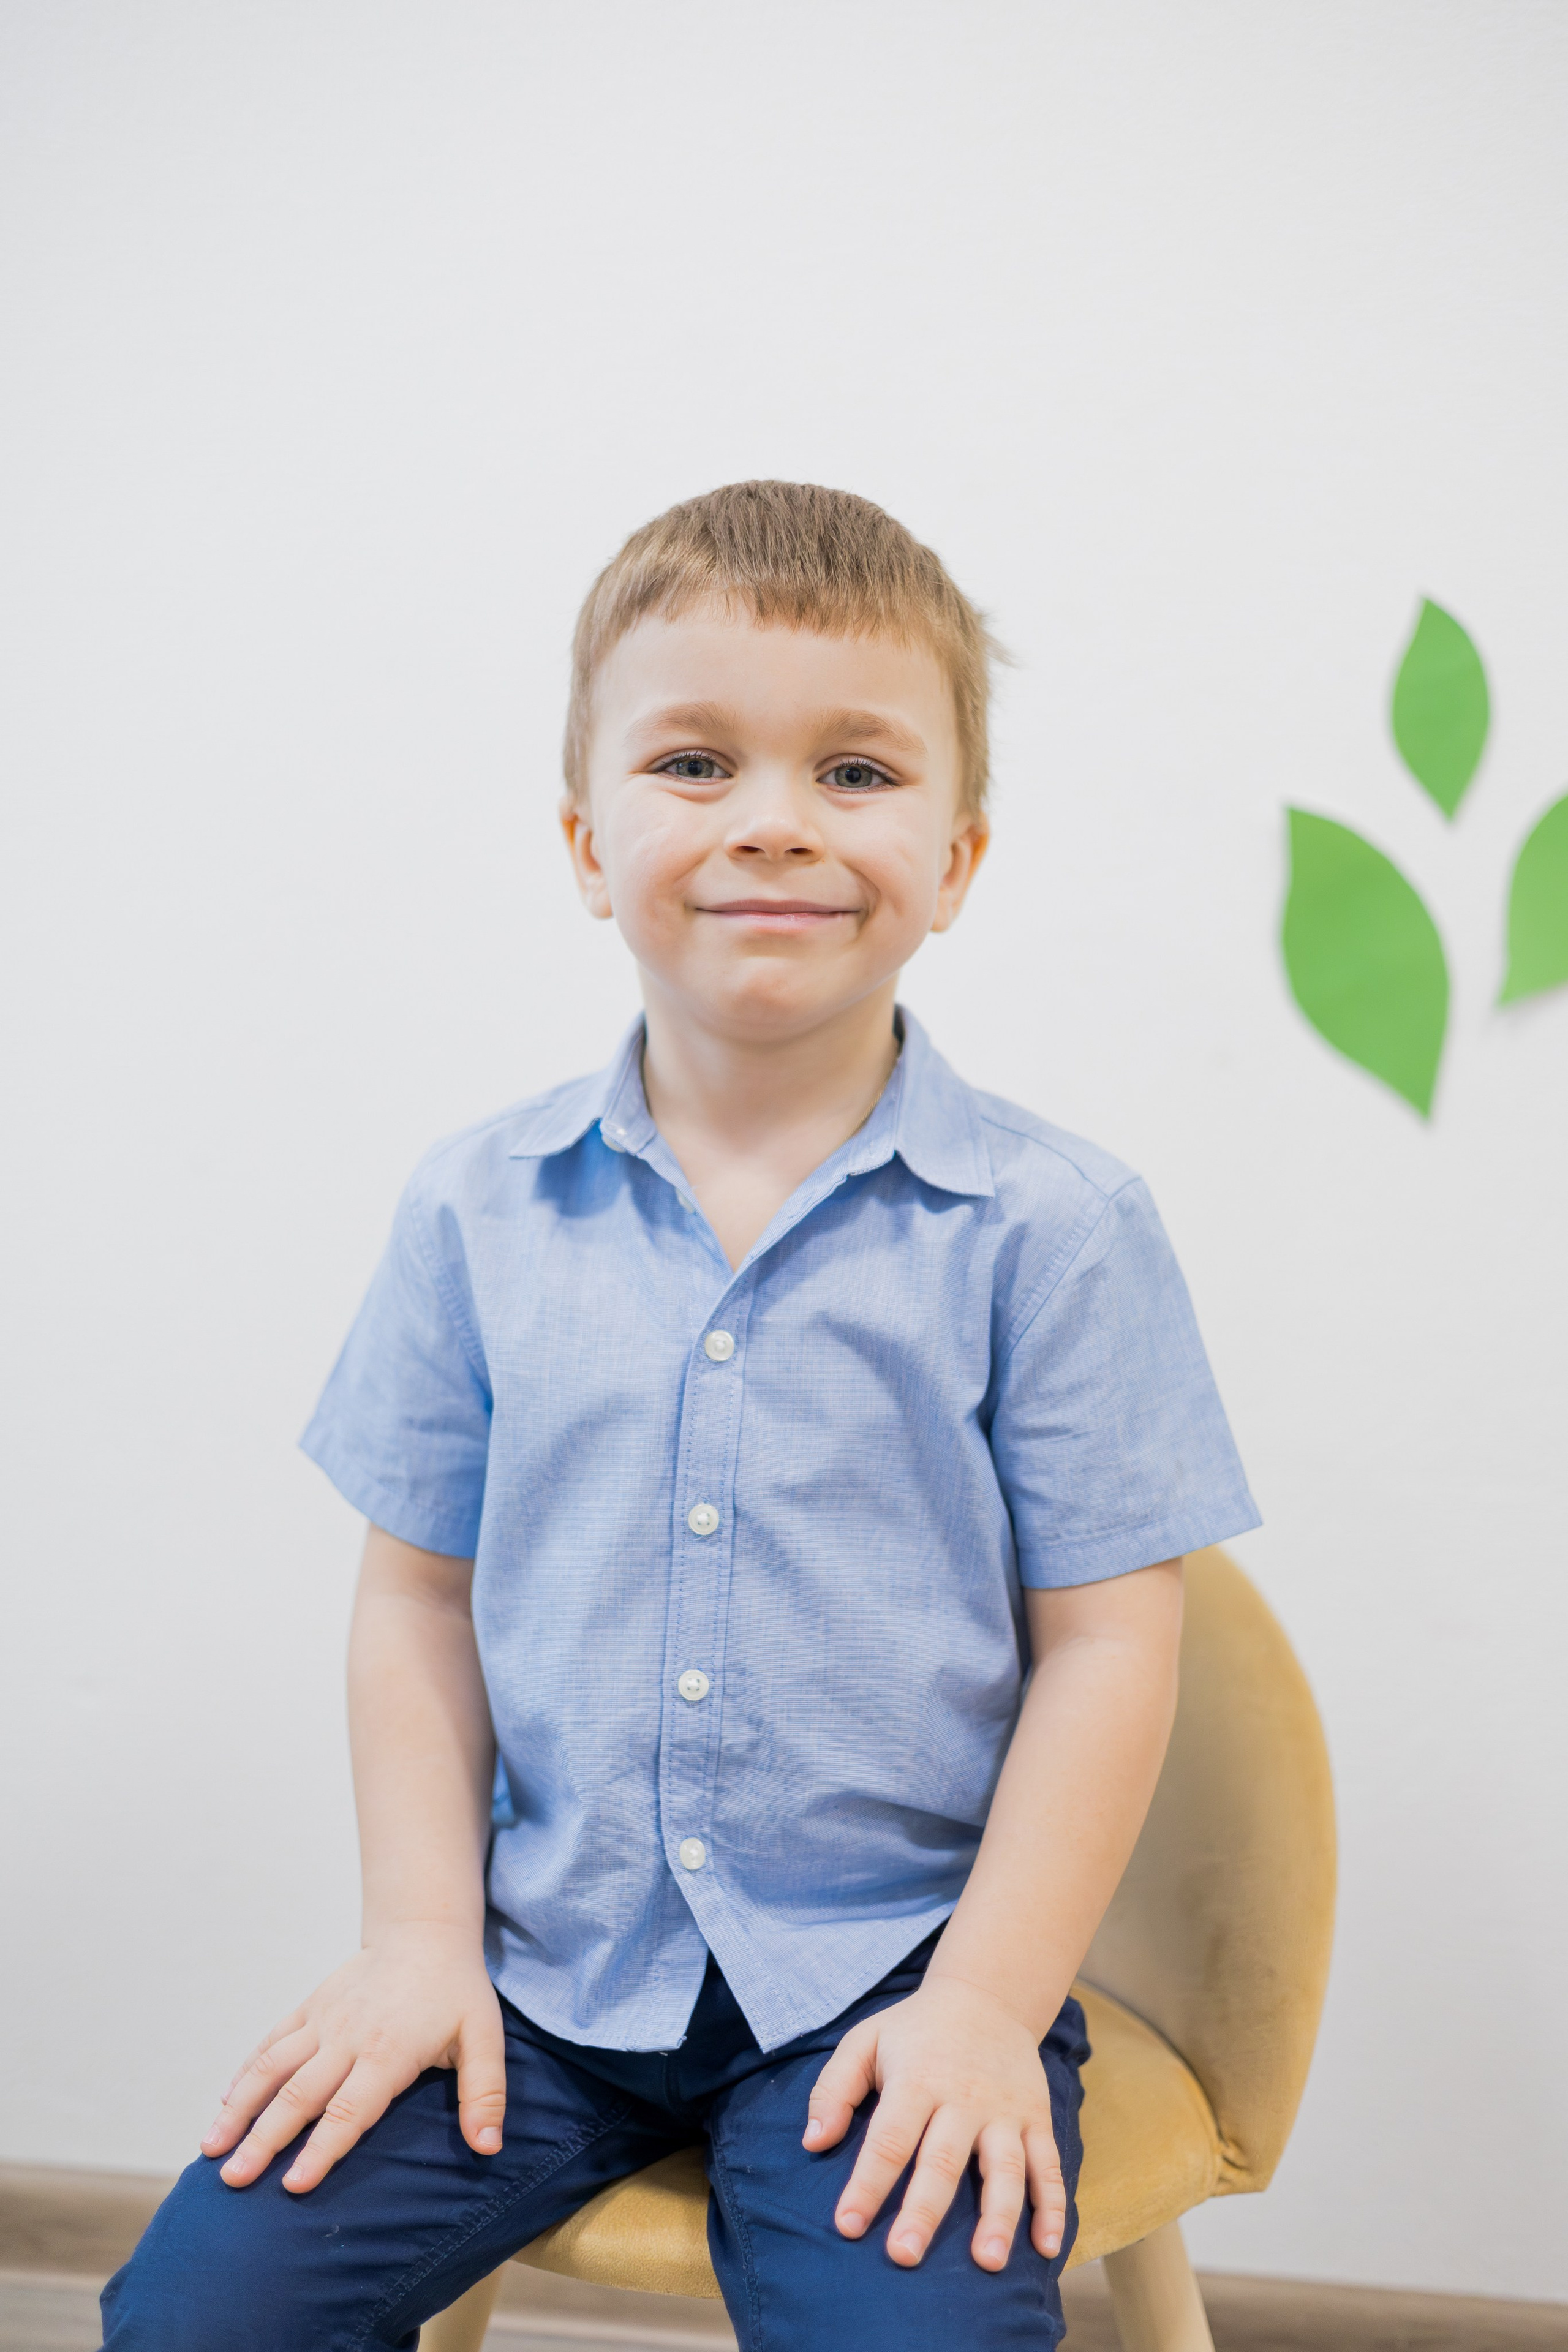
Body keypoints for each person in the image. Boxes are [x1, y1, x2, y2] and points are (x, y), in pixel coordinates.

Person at [101, 481, 1258, 2350]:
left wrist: (978, 2005)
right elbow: (412, 1596)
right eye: (699, 761)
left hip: (890, 1985)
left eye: (860, 773)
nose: (776, 824)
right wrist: (417, 1940)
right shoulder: (476, 1207)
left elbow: (1115, 1643)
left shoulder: (1057, 1228)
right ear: (587, 838)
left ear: (960, 858)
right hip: (539, 1973)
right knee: (198, 2315)